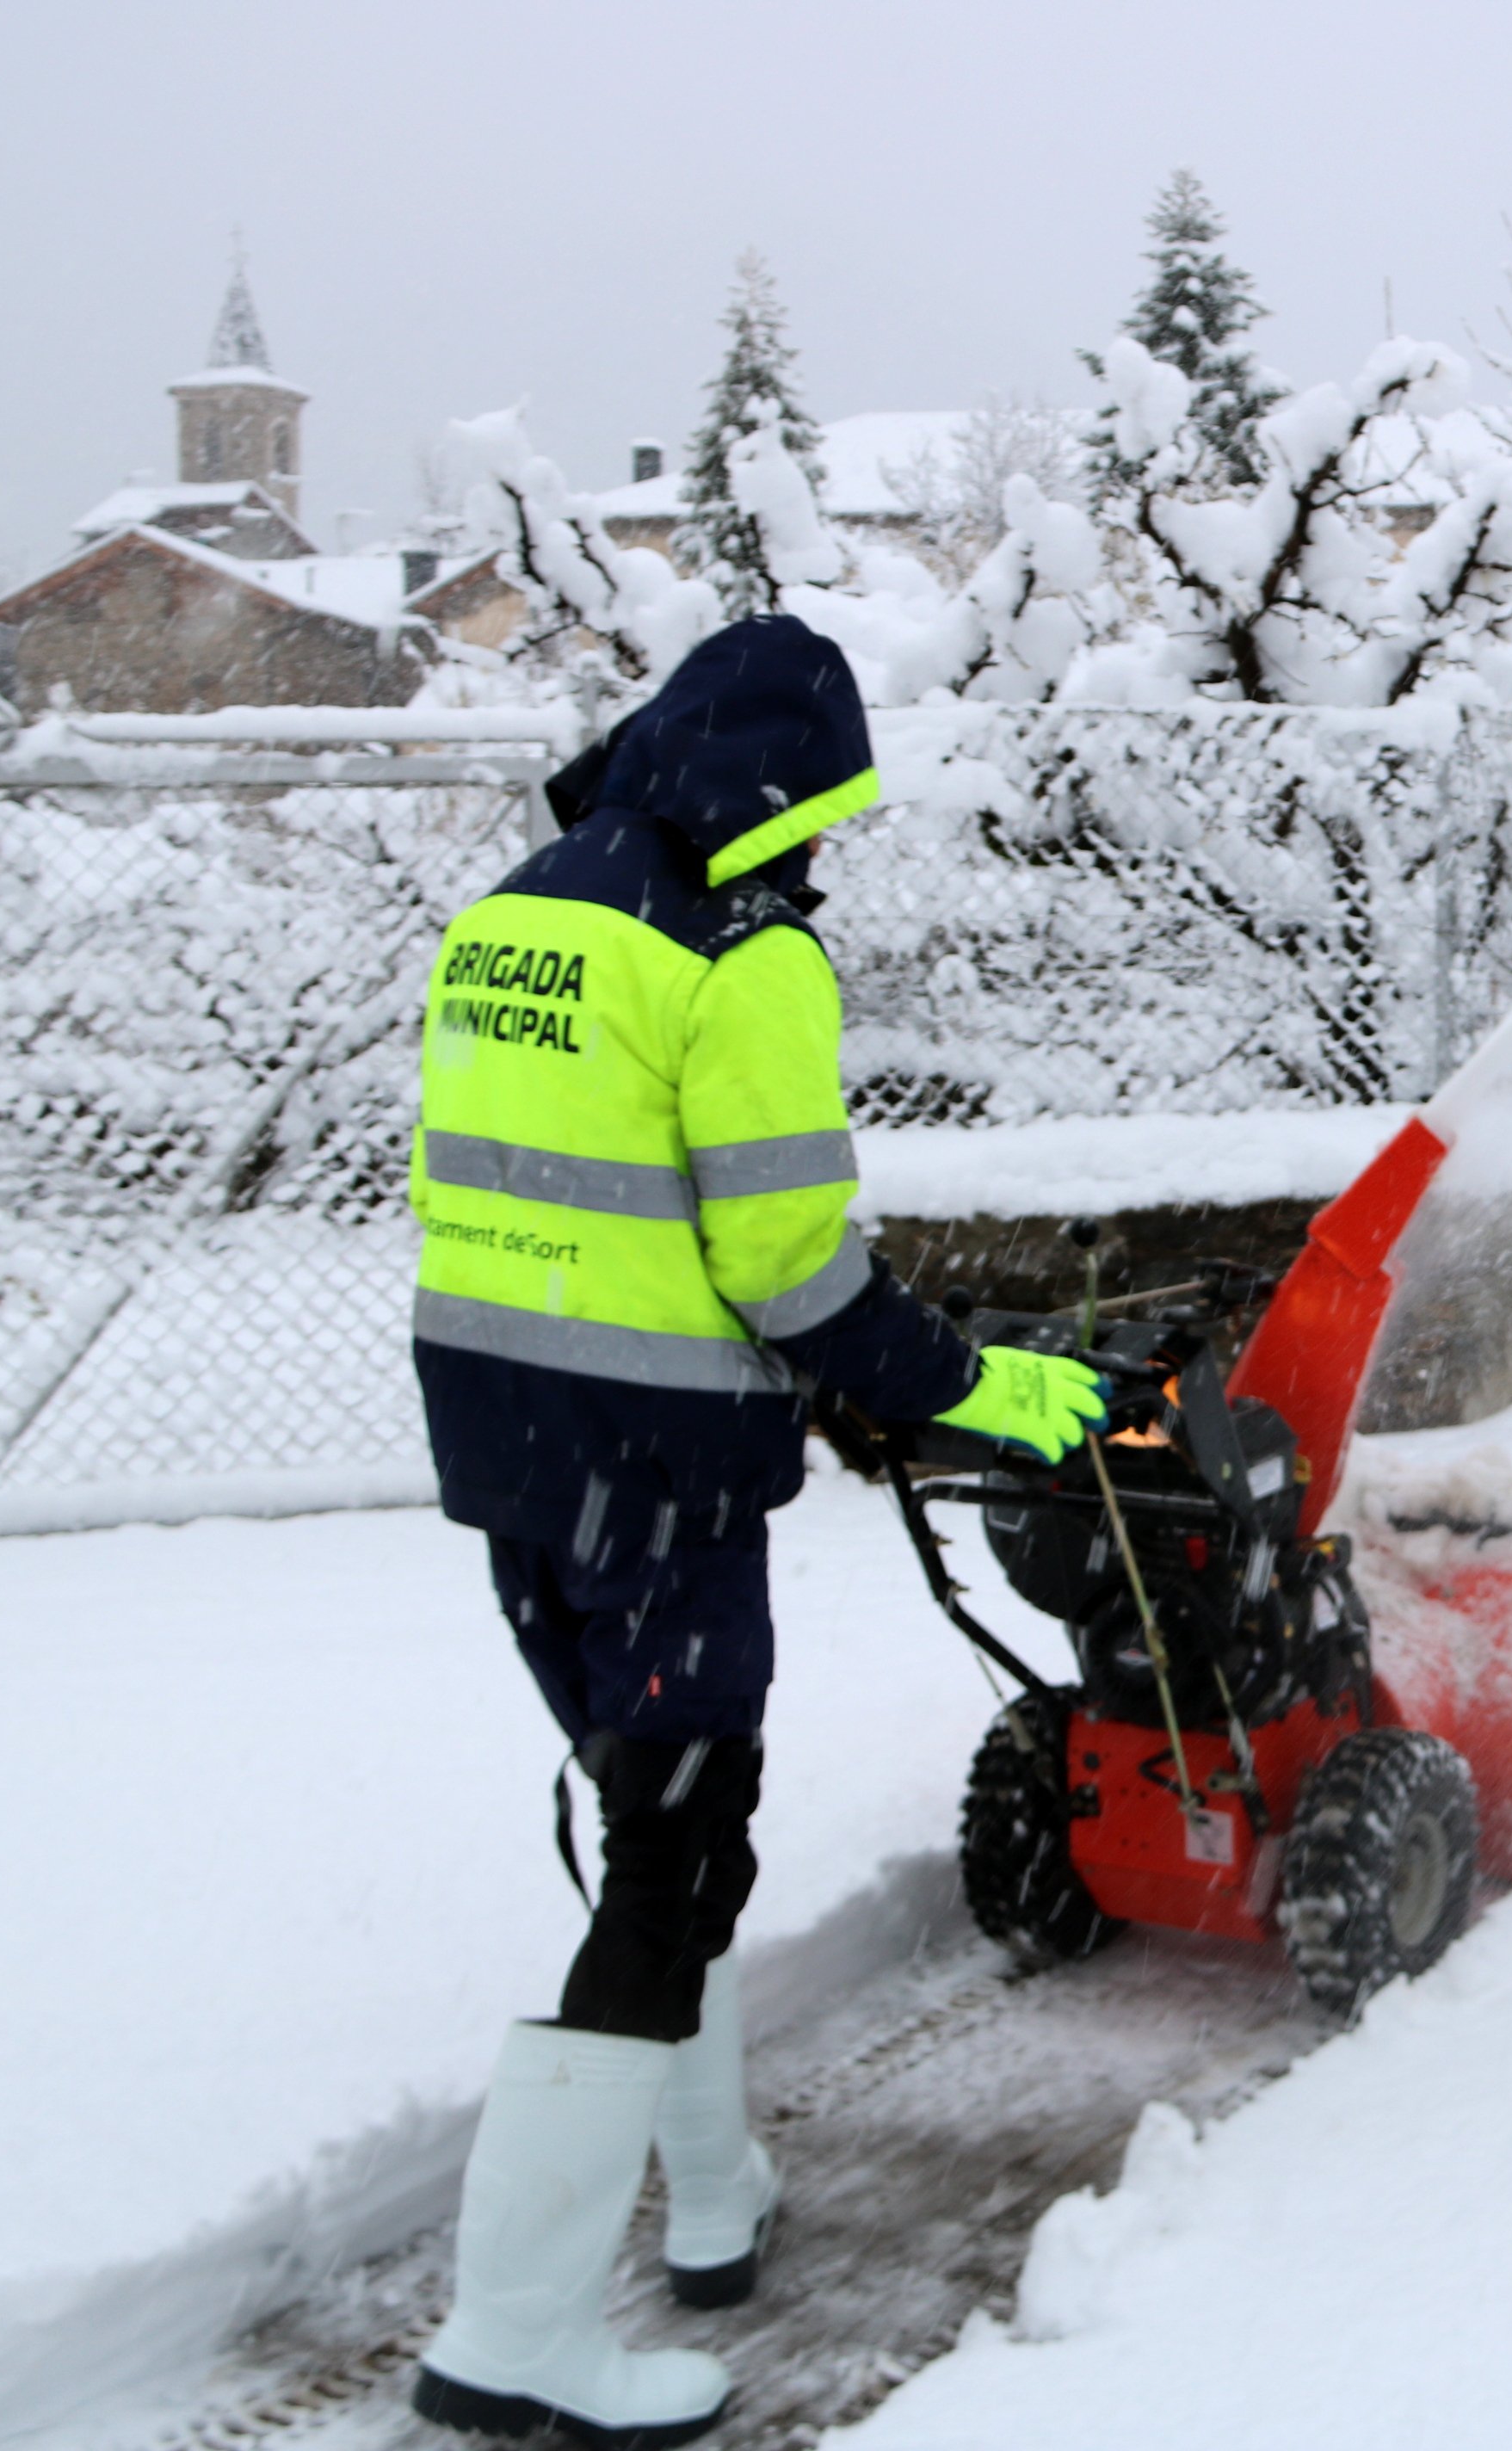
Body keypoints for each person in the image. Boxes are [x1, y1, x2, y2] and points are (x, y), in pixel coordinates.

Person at [401, 614, 1104, 2446]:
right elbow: (791, 1264)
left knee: (655, 1816)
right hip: (666, 1478)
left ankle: (713, 2199)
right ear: (780, 791)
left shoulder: (518, 912)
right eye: (822, 818)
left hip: (515, 1455)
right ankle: (519, 2328)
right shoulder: (742, 954)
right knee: (675, 1859)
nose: (821, 858)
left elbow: (551, 1201)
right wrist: (978, 1382)